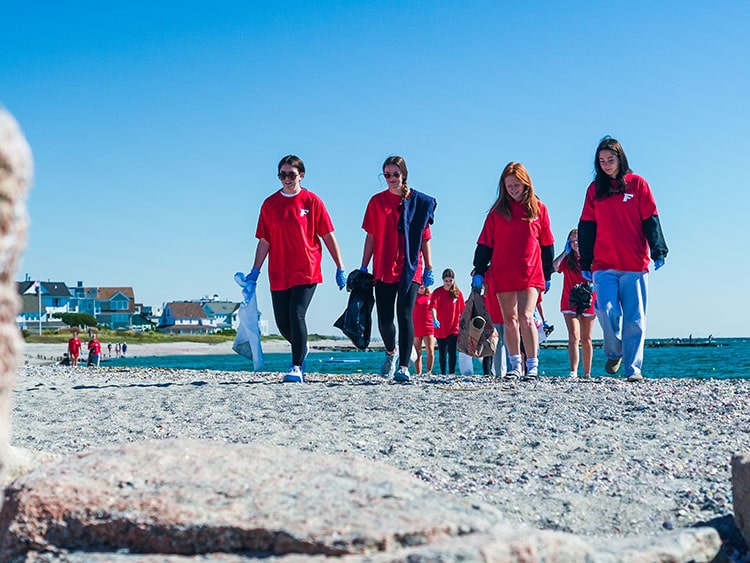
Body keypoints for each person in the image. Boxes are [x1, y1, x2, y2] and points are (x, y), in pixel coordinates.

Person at [240, 155, 346, 383]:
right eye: (282, 175)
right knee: (282, 323)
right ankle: (302, 345)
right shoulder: (269, 204)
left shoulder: (312, 201)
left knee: (297, 314)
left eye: (291, 174)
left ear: (301, 175)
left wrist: (340, 267)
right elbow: (264, 241)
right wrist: (255, 271)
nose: (287, 179)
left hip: (307, 268)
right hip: (278, 271)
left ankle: (296, 367)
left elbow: (327, 235)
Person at [578, 136, 668, 382]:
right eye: (602, 161)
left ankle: (633, 370)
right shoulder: (595, 190)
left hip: (634, 264)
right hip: (604, 264)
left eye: (610, 159)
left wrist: (658, 249)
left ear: (620, 158)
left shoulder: (638, 184)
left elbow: (651, 219)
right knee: (606, 310)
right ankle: (614, 351)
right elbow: (586, 226)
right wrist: (585, 261)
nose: (606, 164)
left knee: (635, 319)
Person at [472, 162, 554, 382]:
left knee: (526, 317)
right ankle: (515, 365)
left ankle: (533, 365)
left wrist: (548, 274)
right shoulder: (497, 212)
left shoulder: (539, 209)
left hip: (530, 272)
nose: (513, 189)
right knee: (510, 321)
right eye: (509, 186)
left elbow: (547, 244)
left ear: (526, 183)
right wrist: (479, 270)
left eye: (517, 185)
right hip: (503, 271)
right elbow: (485, 244)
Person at [361, 155, 436, 383]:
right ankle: (391, 353)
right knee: (384, 319)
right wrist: (364, 266)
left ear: (403, 175)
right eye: (387, 175)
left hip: (410, 267)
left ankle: (404, 366)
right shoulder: (376, 202)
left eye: (395, 174)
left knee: (404, 315)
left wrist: (429, 268)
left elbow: (425, 238)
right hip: (383, 266)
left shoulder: (417, 203)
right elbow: (370, 237)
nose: (391, 179)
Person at [552, 229, 596, 379]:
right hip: (570, 301)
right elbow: (555, 267)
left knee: (587, 338)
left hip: (588, 300)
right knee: (573, 336)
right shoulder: (568, 259)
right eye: (572, 241)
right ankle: (574, 371)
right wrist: (565, 252)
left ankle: (587, 373)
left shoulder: (591, 257)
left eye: (578, 240)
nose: (575, 243)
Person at [430, 268, 464, 375]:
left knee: (452, 351)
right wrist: (435, 319)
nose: (448, 283)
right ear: (443, 280)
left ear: (453, 280)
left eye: (450, 281)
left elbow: (463, 310)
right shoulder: (437, 292)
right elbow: (433, 307)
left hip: (454, 327)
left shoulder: (458, 294)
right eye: (446, 281)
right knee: (442, 352)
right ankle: (443, 373)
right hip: (441, 327)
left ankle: (452, 373)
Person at [412, 284, 436, 376]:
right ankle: (418, 373)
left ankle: (429, 372)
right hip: (416, 327)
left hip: (429, 327)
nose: (422, 286)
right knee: (417, 351)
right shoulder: (413, 296)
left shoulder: (431, 296)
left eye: (423, 284)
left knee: (430, 350)